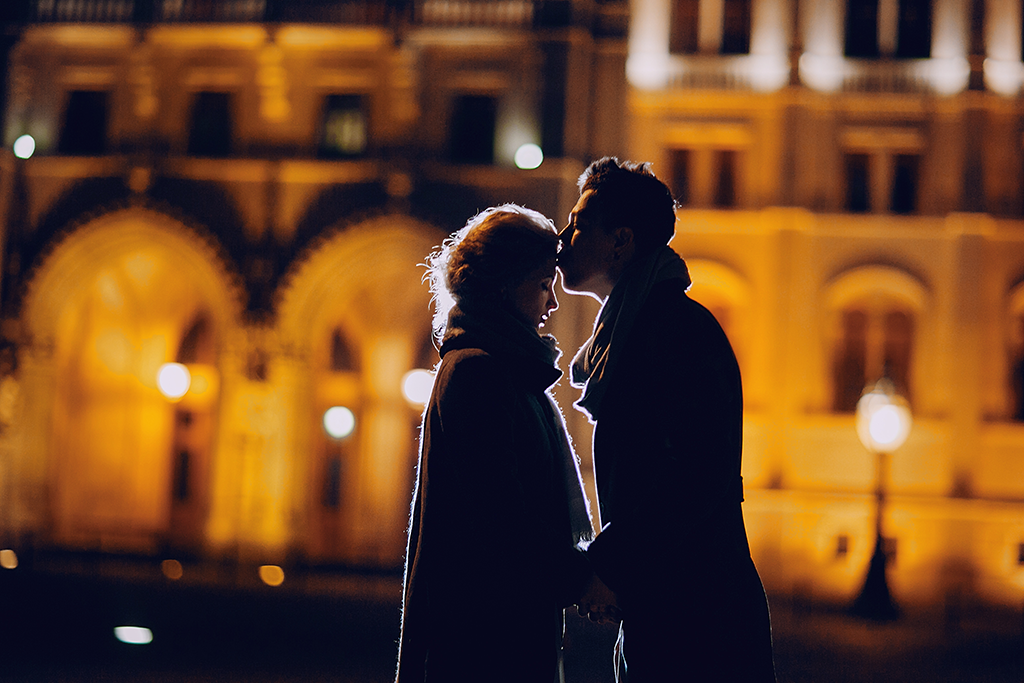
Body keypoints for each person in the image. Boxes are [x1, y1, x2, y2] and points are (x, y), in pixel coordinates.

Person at [558, 158, 776, 682]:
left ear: (621, 240)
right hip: (676, 606)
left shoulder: (676, 331)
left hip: (700, 621)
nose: (563, 237)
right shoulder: (639, 330)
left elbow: (697, 476)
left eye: (579, 223)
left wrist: (609, 564)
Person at [396, 204, 595, 683]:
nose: (553, 302)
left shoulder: (506, 370)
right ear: (506, 283)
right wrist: (582, 580)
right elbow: (503, 518)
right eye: (543, 284)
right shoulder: (477, 371)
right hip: (482, 639)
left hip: (500, 628)